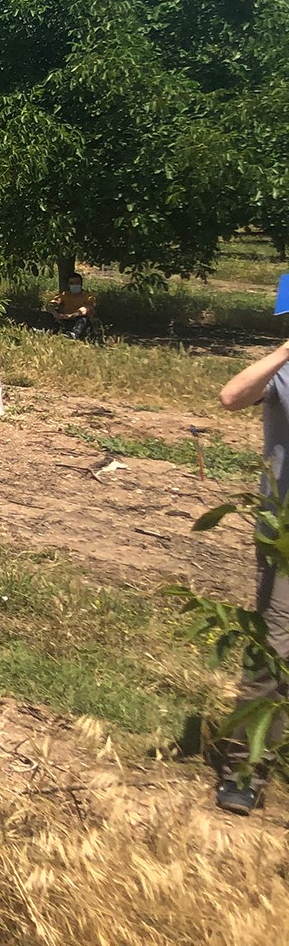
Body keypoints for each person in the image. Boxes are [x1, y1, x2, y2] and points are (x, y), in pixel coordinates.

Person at [212, 337, 289, 815]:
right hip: (284, 538)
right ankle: (245, 766)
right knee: (275, 649)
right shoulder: (282, 372)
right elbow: (230, 397)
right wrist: (284, 352)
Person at [47, 274, 98, 340]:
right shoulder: (64, 295)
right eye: (72, 283)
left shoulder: (88, 297)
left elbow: (85, 309)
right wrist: (55, 313)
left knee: (83, 318)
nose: (74, 285)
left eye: (77, 283)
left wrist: (70, 315)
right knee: (47, 315)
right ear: (68, 285)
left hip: (81, 323)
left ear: (81, 284)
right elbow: (50, 305)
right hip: (66, 321)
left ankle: (74, 334)